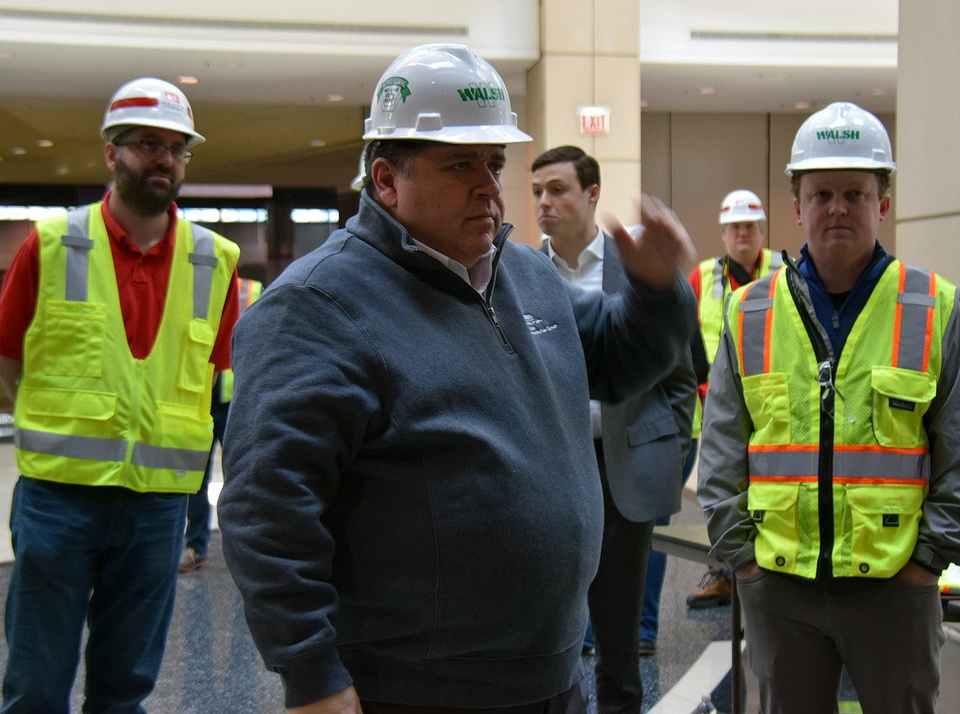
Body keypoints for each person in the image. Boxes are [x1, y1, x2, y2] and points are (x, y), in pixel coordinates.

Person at [217, 43, 697, 714]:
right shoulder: (316, 308)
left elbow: (618, 363)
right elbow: (266, 508)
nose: (492, 188)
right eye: (461, 165)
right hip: (418, 690)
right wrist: (312, 674)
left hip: (552, 678)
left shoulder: (523, 274)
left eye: (494, 164)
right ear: (386, 181)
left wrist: (652, 290)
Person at [697, 101, 960, 713]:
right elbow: (722, 450)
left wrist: (927, 563)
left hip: (896, 589)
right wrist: (745, 566)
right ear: (796, 205)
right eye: (823, 192)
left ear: (883, 202)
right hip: (781, 588)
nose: (838, 207)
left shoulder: (932, 306)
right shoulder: (751, 311)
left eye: (856, 193)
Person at [0, 77, 241, 712]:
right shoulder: (54, 244)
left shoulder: (214, 260)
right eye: (146, 144)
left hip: (158, 509)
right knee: (34, 682)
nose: (163, 158)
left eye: (176, 147)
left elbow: (218, 373)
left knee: (126, 688)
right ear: (112, 152)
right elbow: (8, 354)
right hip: (59, 497)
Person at [531, 145, 696, 712]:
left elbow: (678, 374)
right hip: (552, 469)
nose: (544, 203)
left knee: (620, 640)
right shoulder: (523, 275)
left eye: (557, 189)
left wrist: (665, 445)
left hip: (622, 466)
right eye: (537, 192)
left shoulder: (633, 267)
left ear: (592, 194)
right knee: (554, 630)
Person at [680, 189, 782, 612]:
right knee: (721, 488)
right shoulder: (702, 278)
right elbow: (684, 340)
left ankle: (773, 566)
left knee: (774, 487)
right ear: (724, 233)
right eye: (735, 227)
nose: (743, 233)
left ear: (762, 230)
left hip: (774, 401)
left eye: (750, 226)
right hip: (716, 406)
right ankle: (724, 572)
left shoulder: (784, 269)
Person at [180, 276, 263, 573]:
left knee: (242, 476)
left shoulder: (252, 291)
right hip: (200, 398)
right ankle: (196, 546)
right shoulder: (192, 289)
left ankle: (247, 548)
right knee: (196, 479)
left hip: (235, 400)